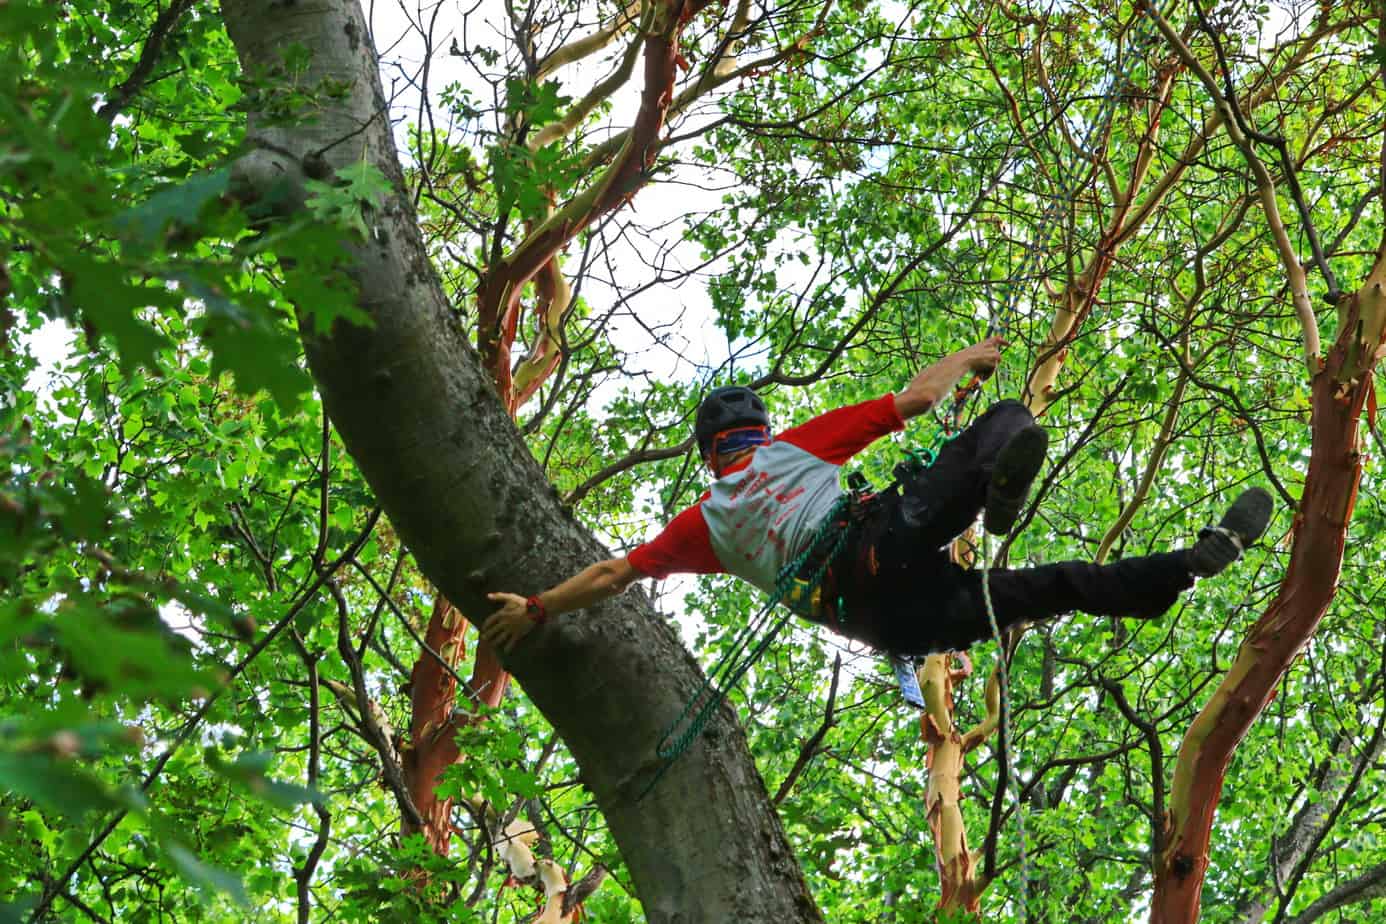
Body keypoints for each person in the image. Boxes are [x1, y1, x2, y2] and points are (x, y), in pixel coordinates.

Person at [483, 337, 1272, 656]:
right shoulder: (794, 447)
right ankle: (1010, 499)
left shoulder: (702, 526)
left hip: (885, 622)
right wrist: (970, 354)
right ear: (761, 428)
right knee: (1003, 423)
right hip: (878, 543)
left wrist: (540, 608)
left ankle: (1193, 561)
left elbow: (613, 575)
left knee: (1043, 589)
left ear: (707, 452)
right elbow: (917, 402)